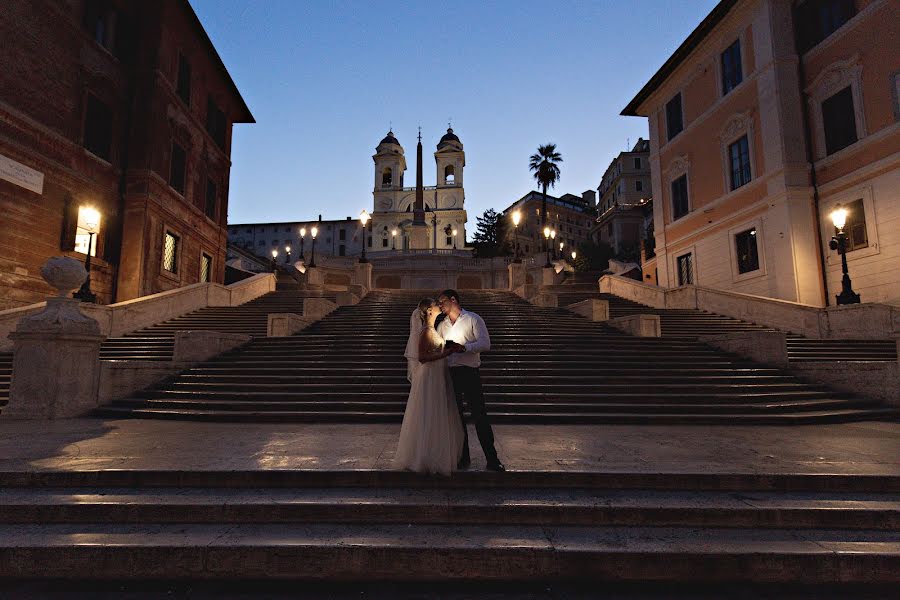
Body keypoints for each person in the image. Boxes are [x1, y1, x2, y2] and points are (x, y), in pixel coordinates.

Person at [394, 298, 465, 476]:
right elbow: (423, 358)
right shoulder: (425, 331)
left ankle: (433, 453)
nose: (438, 306)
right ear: (429, 311)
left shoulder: (432, 329)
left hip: (437, 376)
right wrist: (446, 353)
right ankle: (424, 457)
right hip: (429, 377)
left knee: (435, 413)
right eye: (435, 304)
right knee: (429, 413)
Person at [437, 289, 505, 472]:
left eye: (442, 301)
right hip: (451, 374)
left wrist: (463, 348)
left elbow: (485, 343)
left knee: (479, 416)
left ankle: (492, 458)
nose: (440, 305)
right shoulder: (442, 325)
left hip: (470, 373)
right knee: (457, 419)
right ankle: (463, 457)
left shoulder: (473, 319)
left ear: (453, 300)